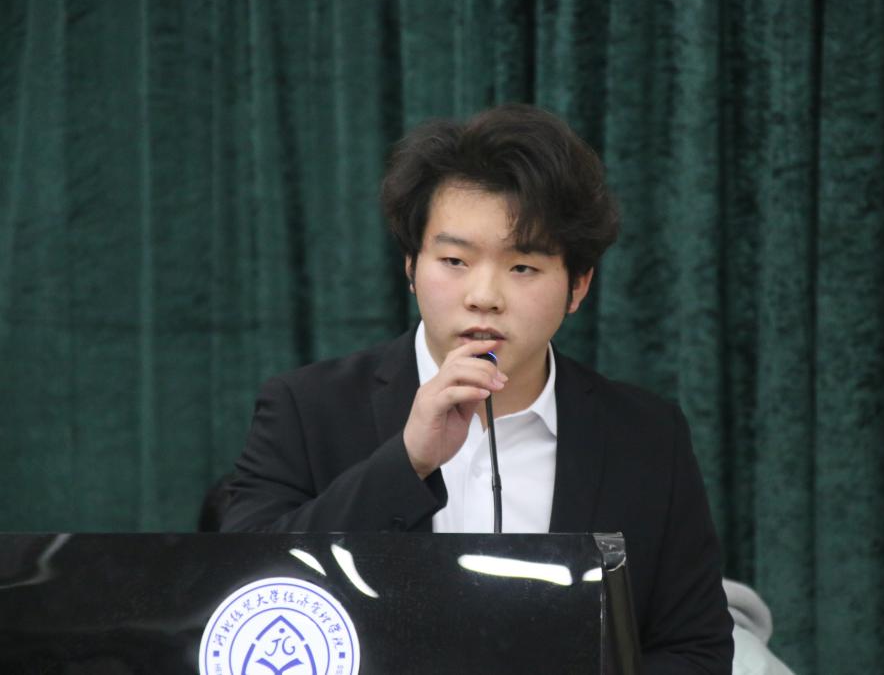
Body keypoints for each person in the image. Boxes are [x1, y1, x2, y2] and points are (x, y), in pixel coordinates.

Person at [221, 103, 734, 673]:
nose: (484, 296)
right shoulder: (307, 408)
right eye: (454, 260)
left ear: (578, 285)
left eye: (523, 268)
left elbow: (697, 651)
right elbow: (240, 590)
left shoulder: (647, 436)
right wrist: (406, 462)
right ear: (411, 265)